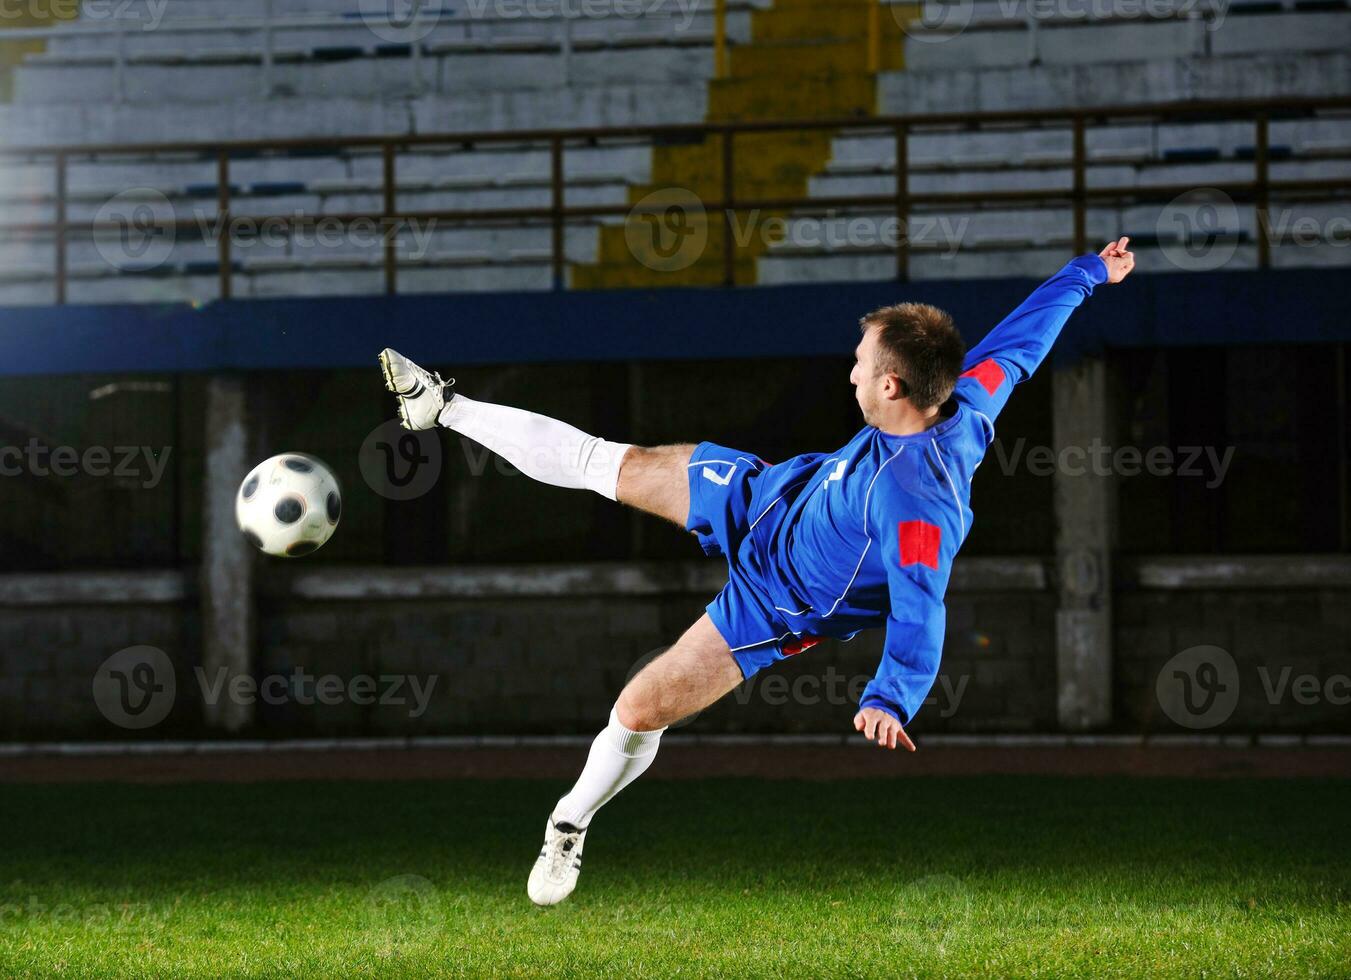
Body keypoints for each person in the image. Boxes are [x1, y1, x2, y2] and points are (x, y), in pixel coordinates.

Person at [378, 238, 1136, 906]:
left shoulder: (918, 503)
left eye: (860, 365)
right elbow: (1021, 342)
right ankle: (441, 408)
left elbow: (921, 604)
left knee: (638, 709)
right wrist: (1086, 274)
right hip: (772, 495)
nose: (850, 375)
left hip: (775, 605)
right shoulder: (965, 398)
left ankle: (568, 823)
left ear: (892, 388)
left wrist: (890, 695)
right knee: (609, 463)